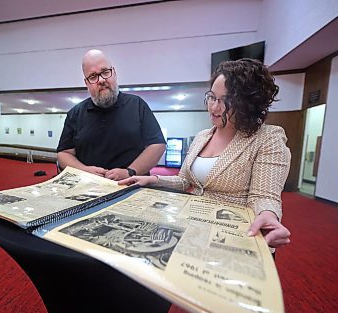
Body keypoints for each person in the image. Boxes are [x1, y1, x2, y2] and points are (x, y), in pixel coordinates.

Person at [119, 58, 291, 250]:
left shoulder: (267, 138)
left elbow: (264, 196)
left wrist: (268, 215)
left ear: (248, 104)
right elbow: (186, 181)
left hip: (235, 237)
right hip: (196, 230)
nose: (214, 107)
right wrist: (152, 180)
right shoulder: (202, 137)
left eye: (226, 101)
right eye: (212, 97)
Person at [57, 49, 166, 181]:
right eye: (93, 77)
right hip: (87, 189)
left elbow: (157, 145)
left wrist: (130, 172)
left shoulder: (137, 105)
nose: (101, 80)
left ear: (114, 73)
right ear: (86, 83)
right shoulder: (75, 113)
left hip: (132, 187)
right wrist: (84, 171)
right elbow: (64, 153)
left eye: (105, 72)